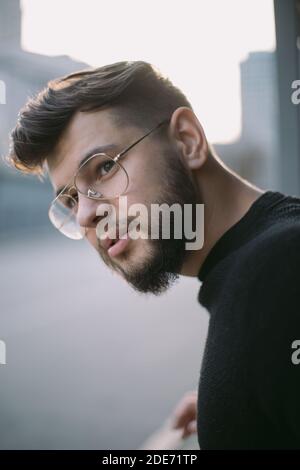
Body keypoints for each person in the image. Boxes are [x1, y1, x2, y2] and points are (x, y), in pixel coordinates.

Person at [8, 60, 300, 449]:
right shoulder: (263, 272)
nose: (86, 214)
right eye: (71, 199)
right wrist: (239, 407)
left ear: (187, 139)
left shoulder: (281, 270)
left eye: (105, 166)